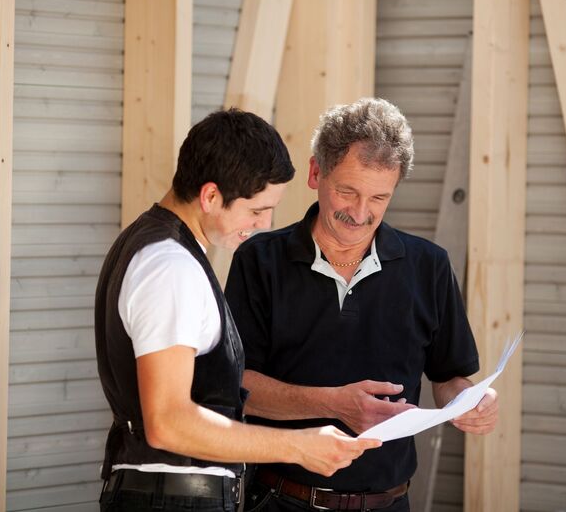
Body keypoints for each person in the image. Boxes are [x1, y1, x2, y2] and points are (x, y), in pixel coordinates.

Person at [95, 109, 381, 512]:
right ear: (211, 196)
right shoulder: (170, 267)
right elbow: (168, 421)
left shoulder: (152, 246)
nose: (263, 225)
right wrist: (299, 447)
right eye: (256, 210)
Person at [225, 98, 499, 512]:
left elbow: (449, 376)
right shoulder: (259, 260)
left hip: (390, 503)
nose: (360, 212)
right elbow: (238, 385)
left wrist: (470, 401)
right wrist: (334, 404)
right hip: (282, 500)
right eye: (347, 191)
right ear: (316, 173)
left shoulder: (430, 265)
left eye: (378, 198)